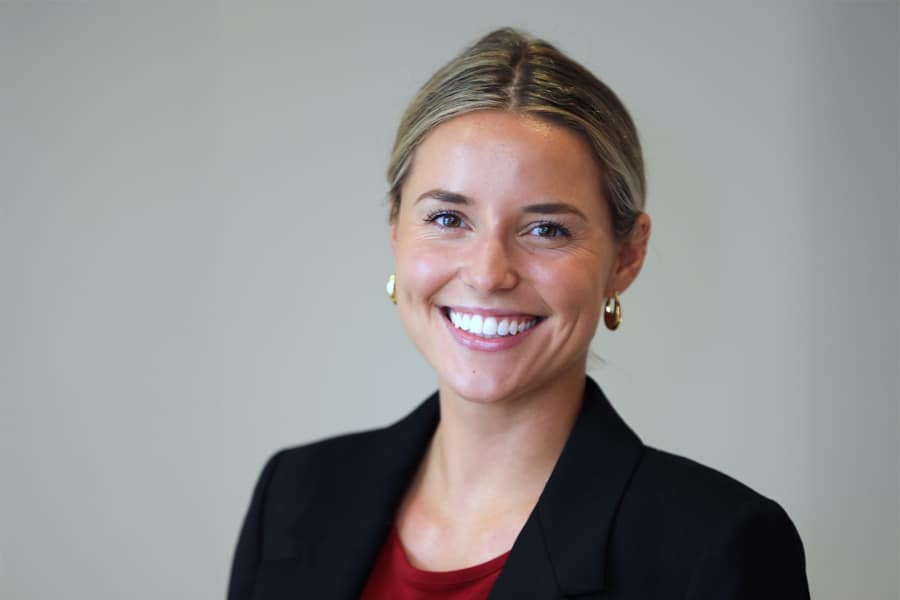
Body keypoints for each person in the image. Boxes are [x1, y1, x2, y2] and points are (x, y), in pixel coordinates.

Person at [227, 27, 810, 599]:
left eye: (545, 229)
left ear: (626, 257)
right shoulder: (296, 493)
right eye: (449, 219)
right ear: (394, 229)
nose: (488, 273)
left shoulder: (718, 548)